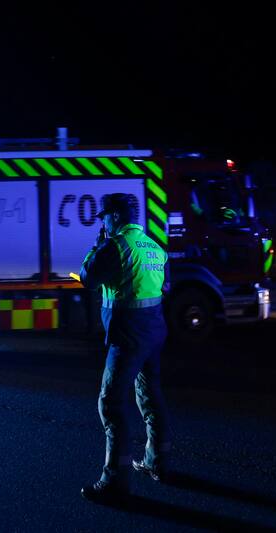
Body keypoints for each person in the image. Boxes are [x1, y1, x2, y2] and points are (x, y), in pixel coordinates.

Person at [79, 193, 172, 503]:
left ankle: (115, 480)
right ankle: (157, 461)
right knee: (150, 396)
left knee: (111, 403)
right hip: (154, 333)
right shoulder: (154, 247)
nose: (103, 222)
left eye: (105, 216)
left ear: (115, 217)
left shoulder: (114, 246)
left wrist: (96, 245)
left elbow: (88, 278)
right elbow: (163, 287)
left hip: (127, 336)